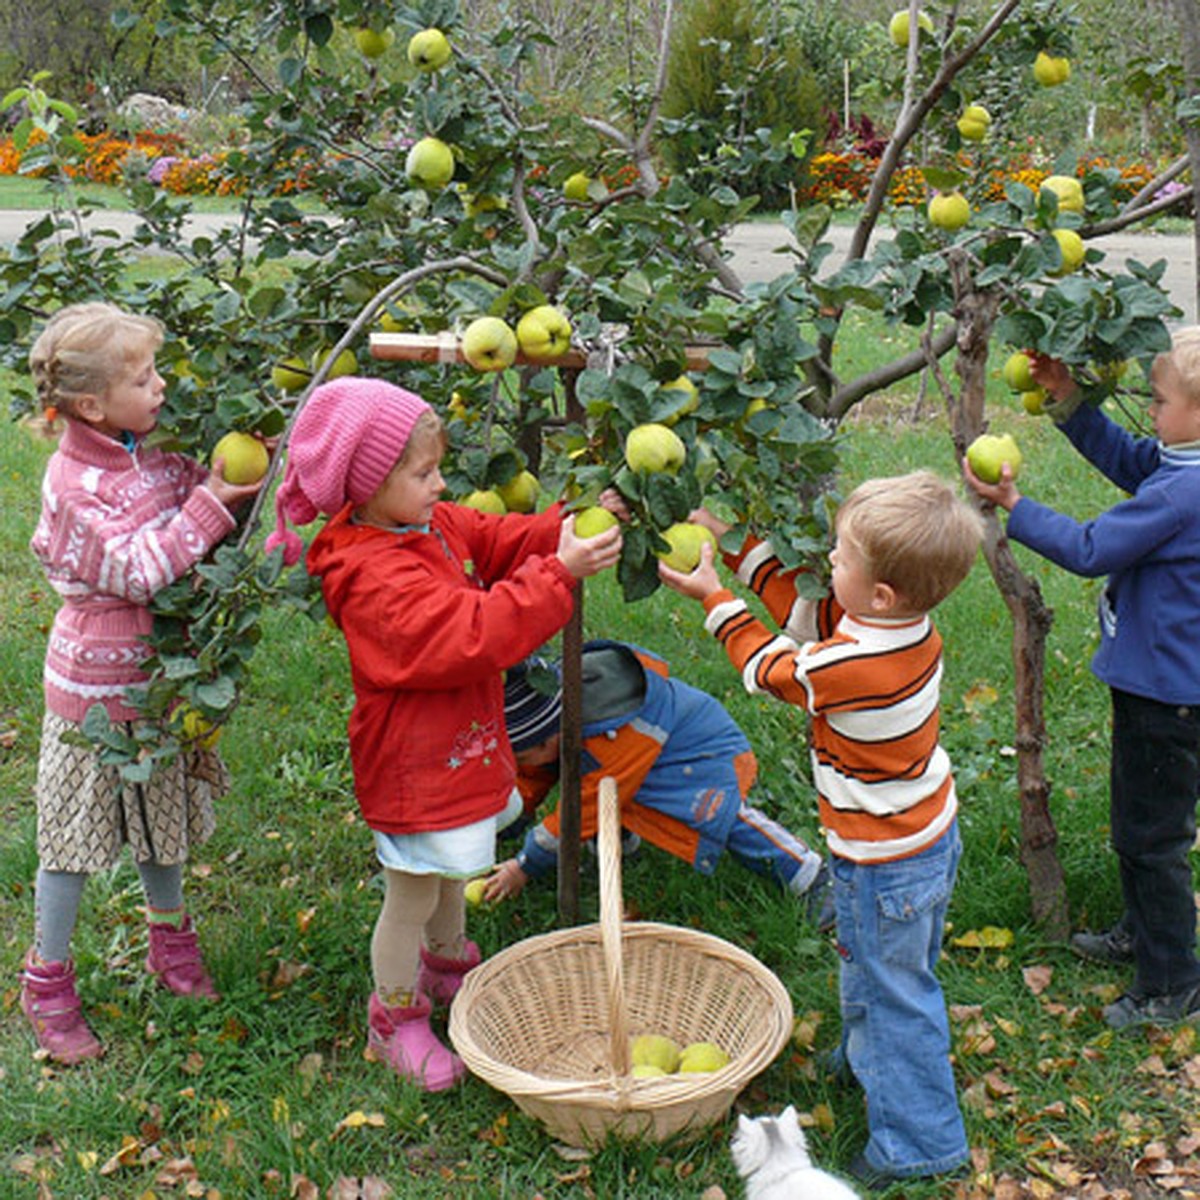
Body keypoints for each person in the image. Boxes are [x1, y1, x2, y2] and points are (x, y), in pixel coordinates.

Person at [263, 376, 622, 1092]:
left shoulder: (425, 525)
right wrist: (559, 575)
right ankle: (394, 1012)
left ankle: (448, 962)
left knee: (451, 868)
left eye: (437, 469)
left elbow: (493, 538)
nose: (441, 484)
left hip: (457, 750)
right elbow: (471, 633)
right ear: (367, 486)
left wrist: (562, 524)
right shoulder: (372, 576)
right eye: (423, 473)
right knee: (412, 891)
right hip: (413, 765)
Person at [658, 469, 983, 1188]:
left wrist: (714, 596)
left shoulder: (858, 663)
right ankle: (867, 1062)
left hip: (883, 858)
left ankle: (918, 1142)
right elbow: (812, 615)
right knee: (875, 964)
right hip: (920, 838)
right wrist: (738, 547)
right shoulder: (894, 628)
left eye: (839, 556)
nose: (826, 562)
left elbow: (773, 665)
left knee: (900, 993)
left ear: (881, 593)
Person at [20, 301, 267, 1065]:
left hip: (162, 687)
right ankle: (47, 978)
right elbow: (139, 571)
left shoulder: (151, 451)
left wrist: (237, 483)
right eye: (144, 376)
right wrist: (209, 506)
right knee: (69, 843)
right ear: (91, 405)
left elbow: (207, 504)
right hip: (93, 699)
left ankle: (170, 939)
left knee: (163, 823)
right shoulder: (73, 485)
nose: (162, 387)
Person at [963, 332, 1200, 1031]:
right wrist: (1067, 400)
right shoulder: (1182, 468)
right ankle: (1144, 930)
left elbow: (1092, 549)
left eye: (1159, 402)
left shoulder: (1185, 495)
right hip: (1166, 689)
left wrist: (1014, 505)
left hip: (1168, 699)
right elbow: (1135, 461)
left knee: (1150, 838)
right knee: (1142, 825)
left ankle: (1172, 982)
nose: (1149, 412)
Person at [484, 639, 833, 928]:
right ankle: (618, 844)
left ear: (546, 740)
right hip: (649, 762)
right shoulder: (559, 725)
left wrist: (525, 864)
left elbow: (585, 807)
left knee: (722, 817)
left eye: (523, 756)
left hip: (704, 760)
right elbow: (536, 773)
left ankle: (808, 874)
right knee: (612, 787)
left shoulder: (616, 735)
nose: (521, 765)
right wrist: (511, 818)